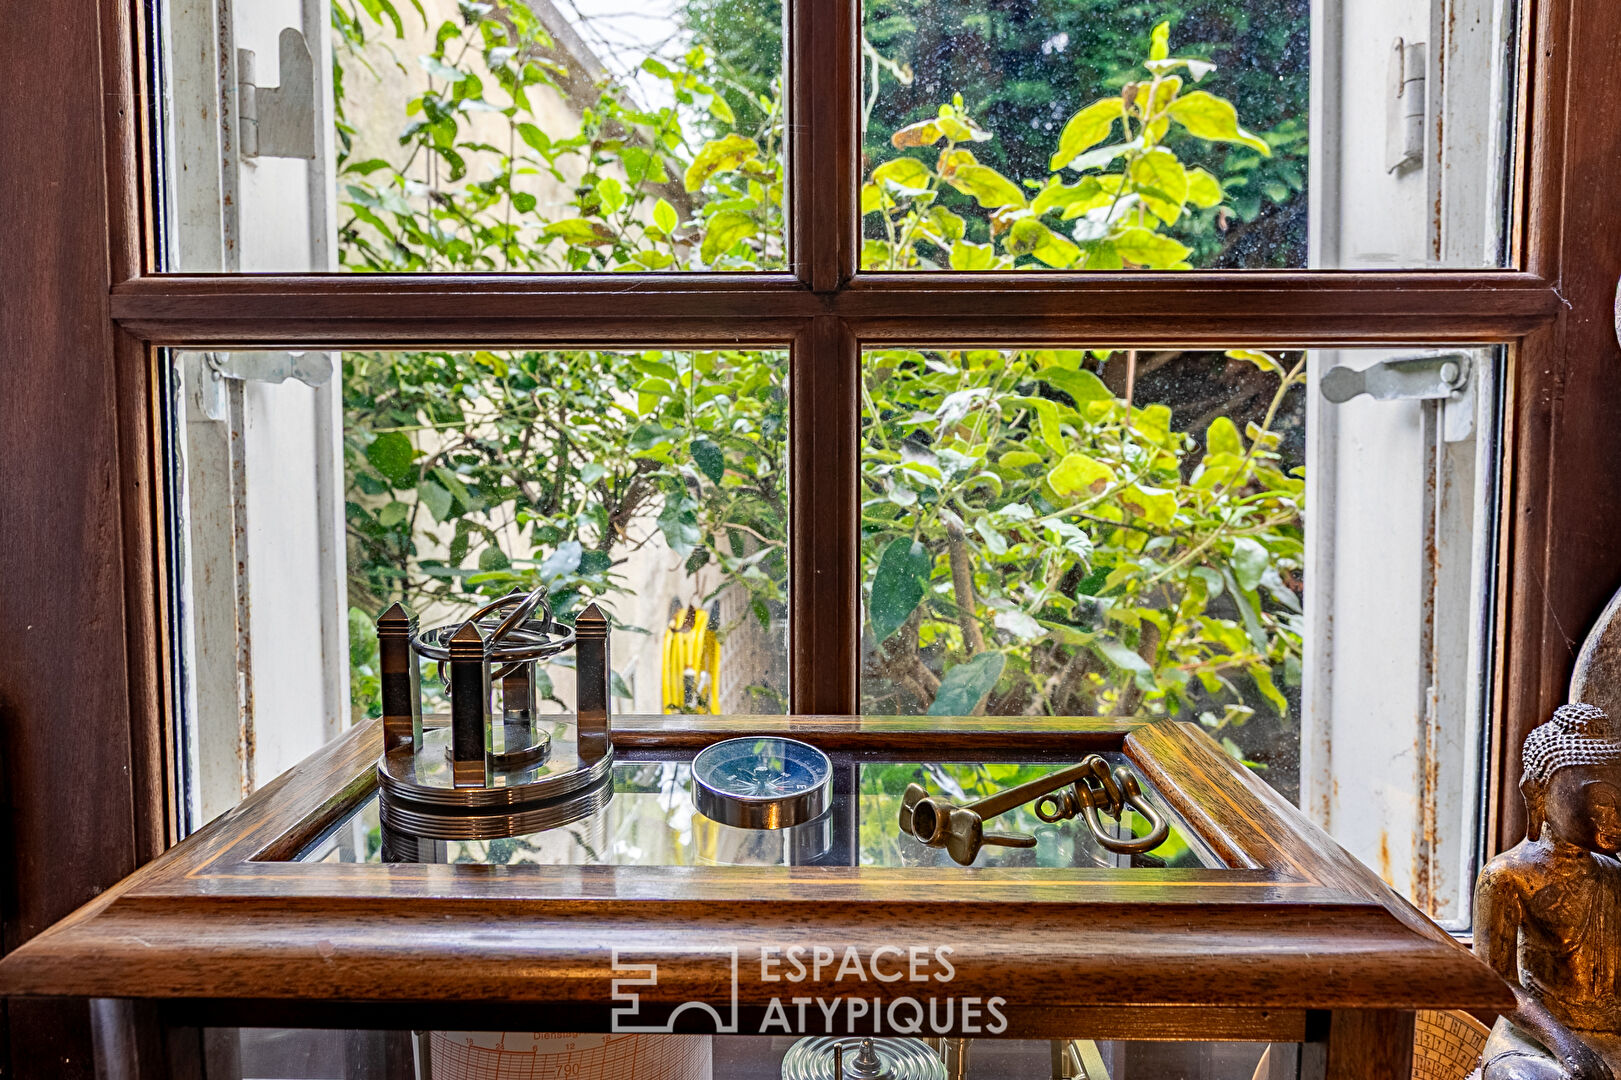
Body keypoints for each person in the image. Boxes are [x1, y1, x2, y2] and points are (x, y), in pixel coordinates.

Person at [1473, 703, 1621, 1079]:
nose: (1616, 817)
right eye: (1602, 799)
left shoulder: (1614, 876)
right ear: (1537, 794)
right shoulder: (1507, 877)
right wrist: (1567, 1046)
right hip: (1535, 1039)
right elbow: (1495, 986)